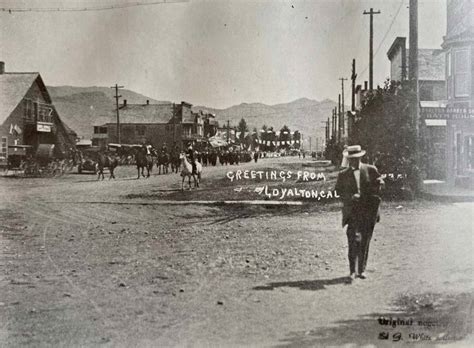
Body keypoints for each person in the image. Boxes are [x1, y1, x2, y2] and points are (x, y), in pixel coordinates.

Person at [335, 145, 384, 281]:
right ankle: (352, 271)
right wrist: (350, 197)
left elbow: (379, 182)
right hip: (352, 212)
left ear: (360, 158)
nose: (353, 162)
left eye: (356, 159)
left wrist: (380, 183)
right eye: (351, 159)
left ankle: (361, 270)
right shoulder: (343, 174)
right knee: (352, 240)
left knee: (364, 241)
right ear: (348, 159)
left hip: (368, 211)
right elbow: (338, 191)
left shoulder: (370, 169)